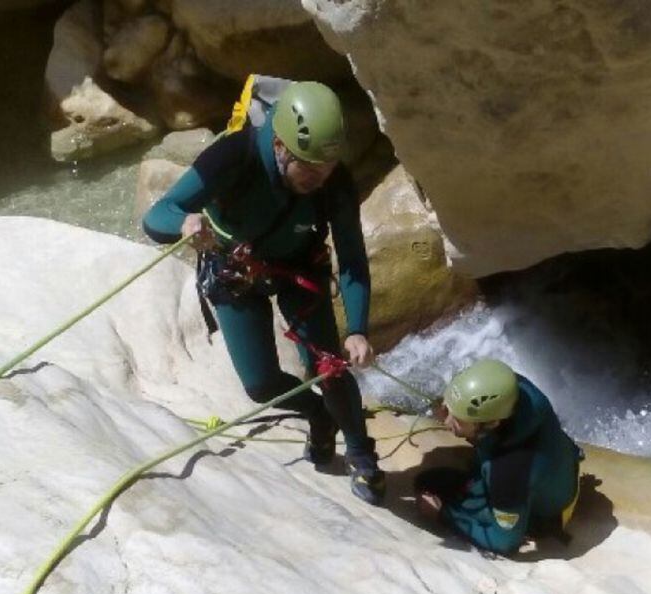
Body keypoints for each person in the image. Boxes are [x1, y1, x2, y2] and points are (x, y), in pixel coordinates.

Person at [142, 81, 385, 504]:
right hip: (234, 271)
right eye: (309, 170)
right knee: (259, 384)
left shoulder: (333, 180)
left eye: (326, 169)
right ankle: (317, 416)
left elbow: (351, 259)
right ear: (280, 146)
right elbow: (157, 215)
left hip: (299, 270)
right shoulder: (234, 154)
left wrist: (358, 329)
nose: (319, 179)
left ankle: (362, 454)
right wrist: (183, 223)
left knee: (329, 368)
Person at [415, 359, 582, 553]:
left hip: (547, 512)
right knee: (433, 480)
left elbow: (504, 541)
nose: (447, 420)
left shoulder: (508, 470)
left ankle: (533, 525)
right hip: (559, 469)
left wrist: (442, 515)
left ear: (491, 424)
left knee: (426, 483)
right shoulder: (516, 389)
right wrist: (452, 407)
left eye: (457, 418)